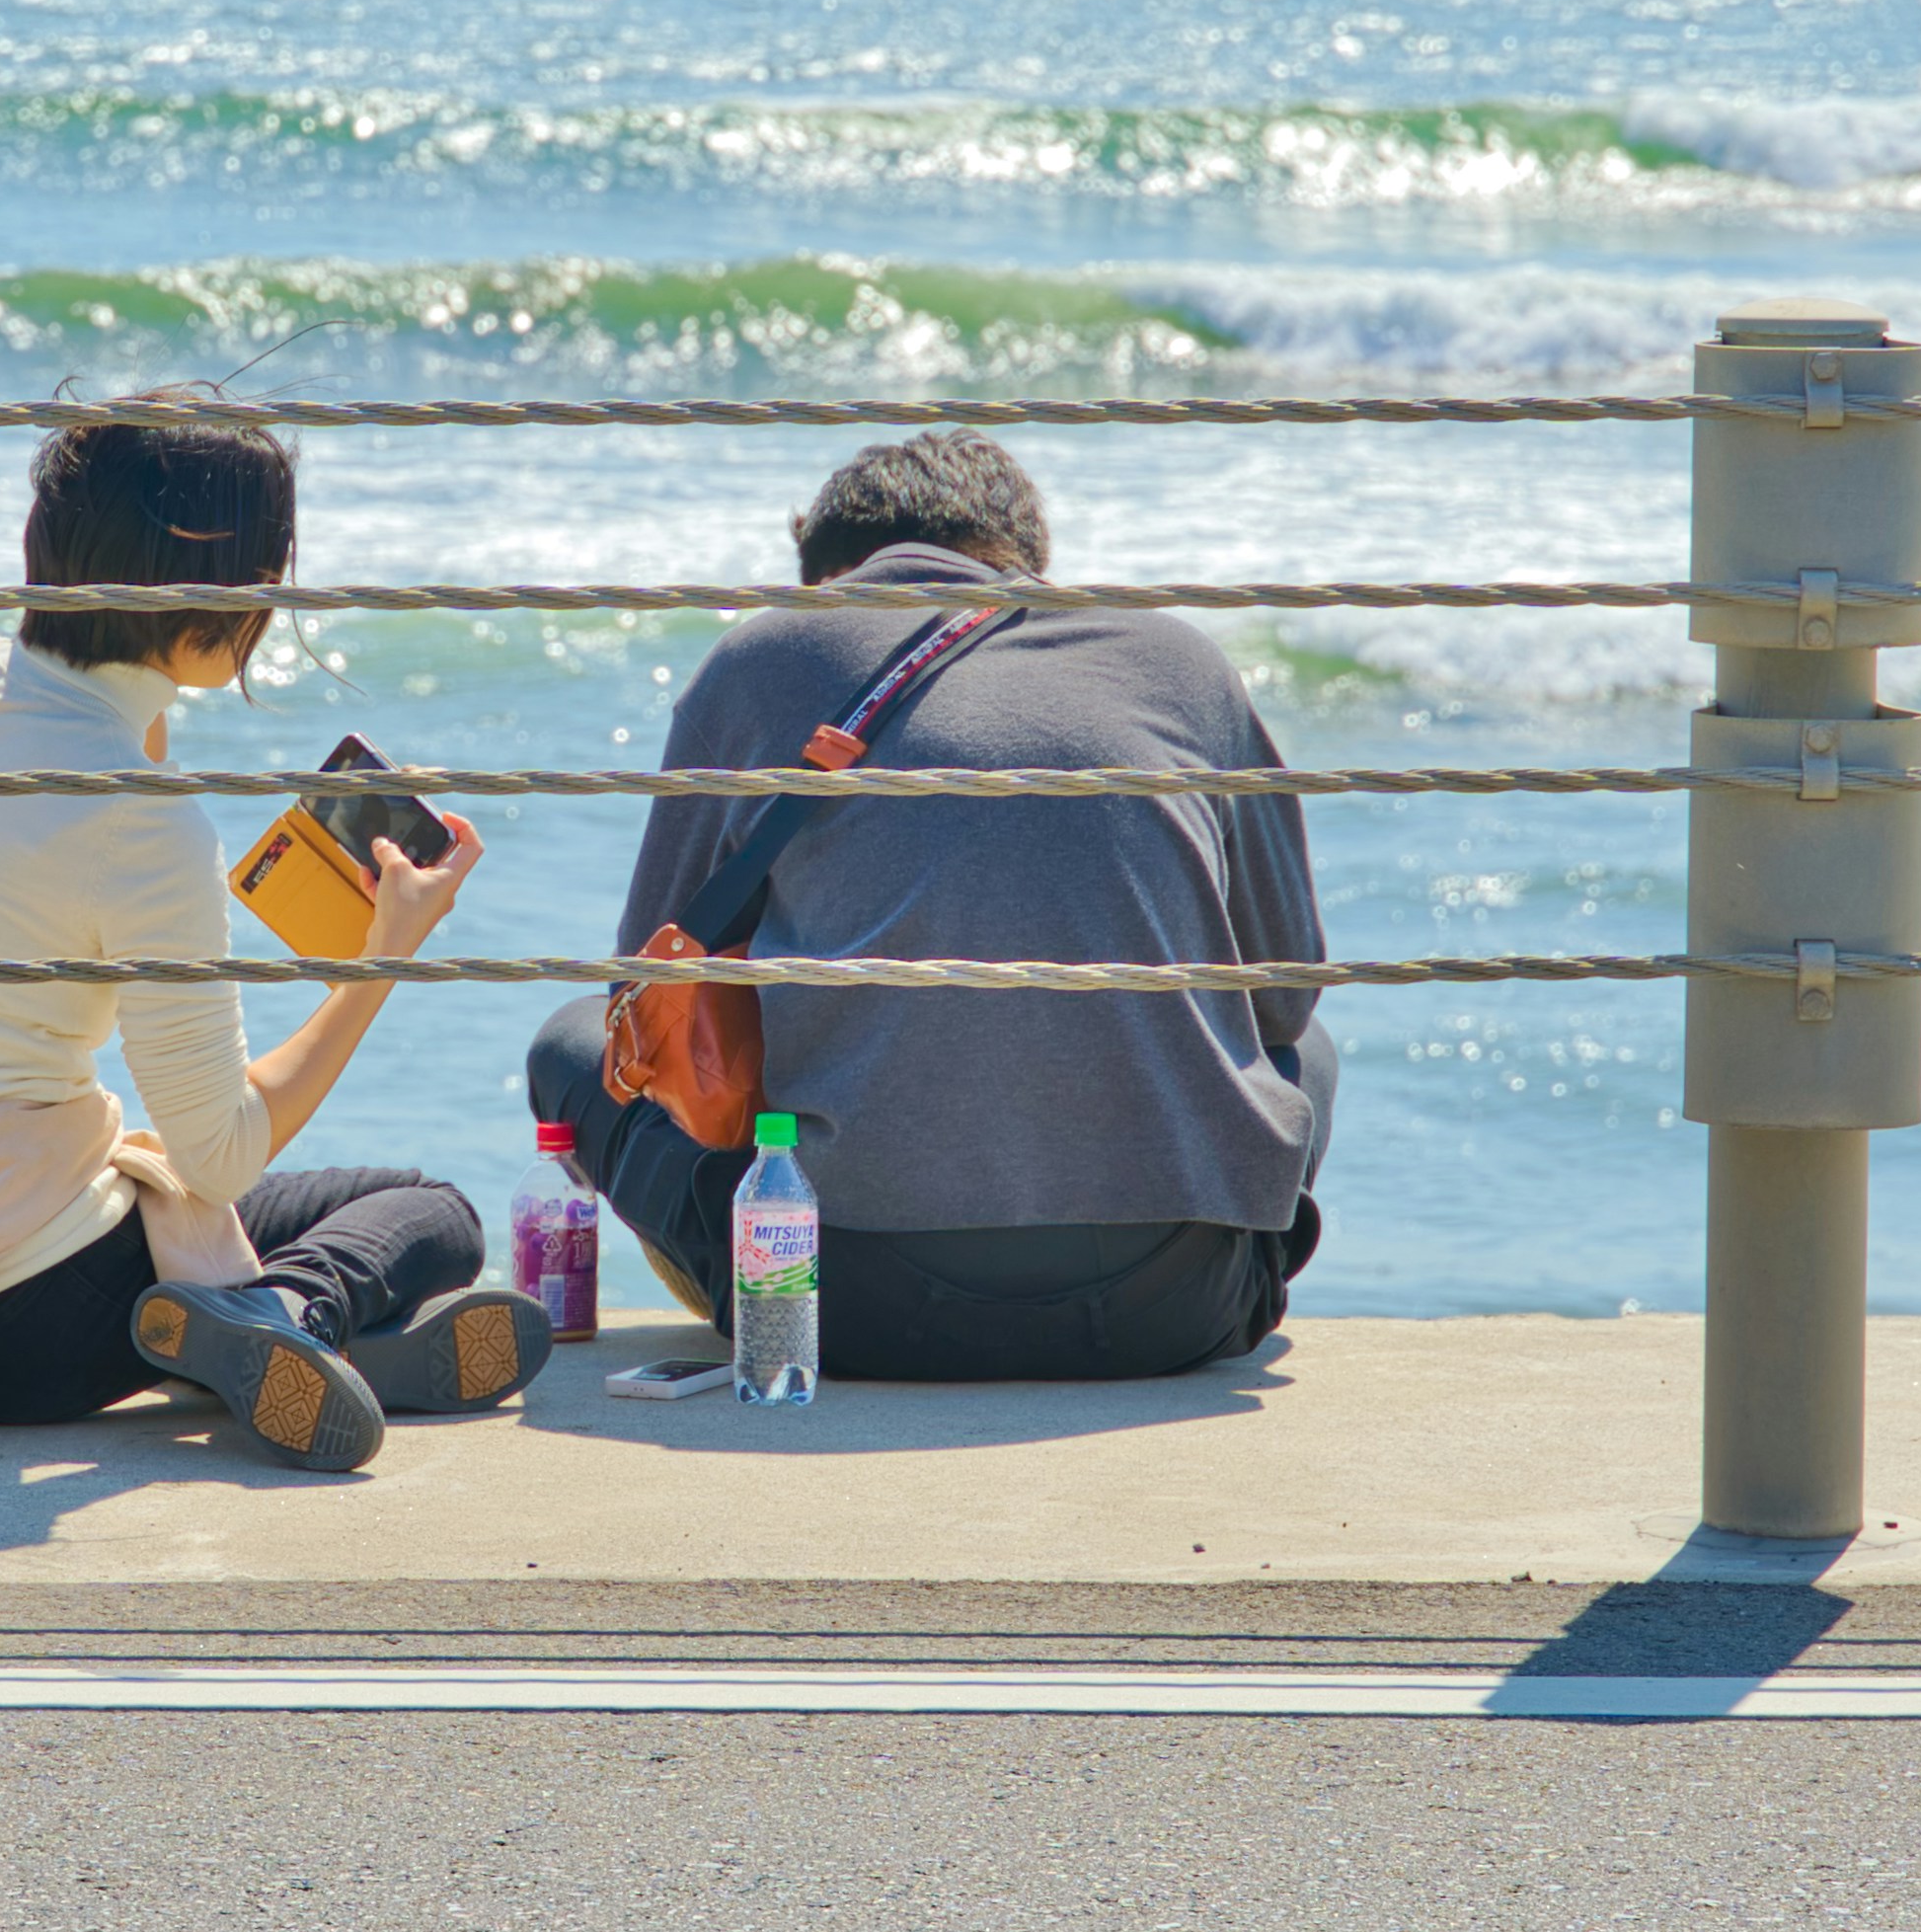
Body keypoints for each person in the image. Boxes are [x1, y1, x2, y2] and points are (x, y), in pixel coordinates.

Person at [0, 406, 555, 1470]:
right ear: (215, 615)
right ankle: (290, 1319)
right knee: (431, 1213)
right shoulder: (143, 824)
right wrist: (379, 961)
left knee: (189, 1188)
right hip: (21, 1336)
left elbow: (92, 725)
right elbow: (220, 1156)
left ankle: (273, 1340)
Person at [526, 430, 1335, 1380]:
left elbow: (645, 1007)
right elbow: (1284, 999)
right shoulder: (1182, 662)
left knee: (572, 1045)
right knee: (1304, 1053)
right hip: (1182, 1304)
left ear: (830, 572)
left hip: (845, 1305)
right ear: (1026, 561)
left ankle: (735, 1295)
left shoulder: (763, 656)